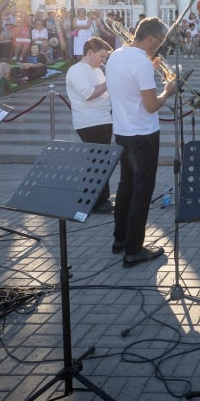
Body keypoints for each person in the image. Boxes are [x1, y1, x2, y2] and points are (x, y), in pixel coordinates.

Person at [104, 17, 177, 267]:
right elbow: (151, 105)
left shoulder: (116, 55)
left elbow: (129, 85)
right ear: (150, 39)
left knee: (125, 186)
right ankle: (134, 250)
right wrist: (168, 90)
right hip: (143, 134)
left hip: (122, 131)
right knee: (141, 191)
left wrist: (148, 65)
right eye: (159, 43)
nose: (159, 48)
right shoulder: (142, 64)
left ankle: (120, 239)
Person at [66, 37, 115, 213]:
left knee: (101, 160)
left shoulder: (97, 70)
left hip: (102, 119)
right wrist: (110, 81)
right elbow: (88, 94)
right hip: (89, 121)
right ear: (89, 52)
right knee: (98, 160)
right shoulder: (77, 70)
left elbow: (105, 92)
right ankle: (96, 201)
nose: (103, 60)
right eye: (101, 56)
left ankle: (95, 198)